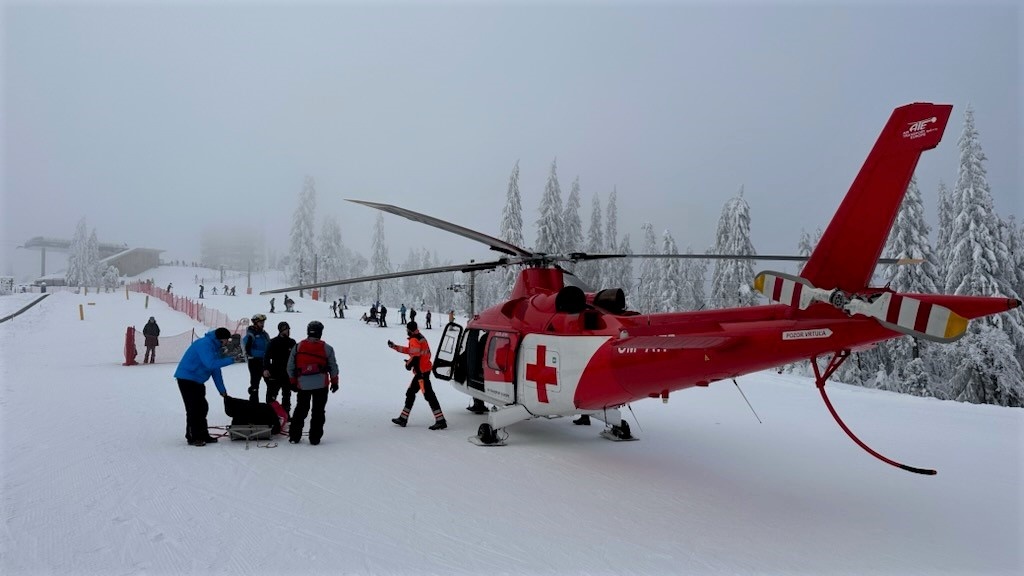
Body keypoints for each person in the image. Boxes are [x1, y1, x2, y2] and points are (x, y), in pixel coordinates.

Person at [173, 327, 235, 446]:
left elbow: (215, 370)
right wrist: (232, 360)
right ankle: (193, 436)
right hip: (187, 378)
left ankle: (203, 434)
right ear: (221, 339)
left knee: (202, 407)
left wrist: (222, 391)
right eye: (227, 340)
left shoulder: (215, 348)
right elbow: (210, 363)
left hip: (198, 380)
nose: (228, 342)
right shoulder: (204, 344)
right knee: (193, 408)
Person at [287, 321, 340, 445]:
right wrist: (335, 382)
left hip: (302, 384)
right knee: (318, 411)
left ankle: (294, 436)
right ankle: (315, 438)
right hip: (321, 385)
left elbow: (290, 366)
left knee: (301, 409)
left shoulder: (298, 347)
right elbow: (333, 367)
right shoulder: (327, 348)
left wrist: (293, 381)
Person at [388, 321, 446, 430]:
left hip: (421, 373)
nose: (406, 332)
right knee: (411, 393)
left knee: (428, 395)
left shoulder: (414, 339)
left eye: (407, 330)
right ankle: (403, 418)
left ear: (409, 330)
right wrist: (395, 347)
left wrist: (408, 365)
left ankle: (440, 420)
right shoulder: (419, 337)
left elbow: (415, 356)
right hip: (423, 370)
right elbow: (411, 351)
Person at [264, 321, 297, 416]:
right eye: (286, 330)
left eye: (288, 329)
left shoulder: (292, 342)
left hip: (287, 373)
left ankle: (286, 414)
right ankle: (270, 413)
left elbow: (296, 357)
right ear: (281, 330)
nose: (288, 331)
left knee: (286, 395)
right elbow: (266, 356)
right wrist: (266, 369)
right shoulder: (273, 342)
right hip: (275, 372)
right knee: (271, 395)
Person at [242, 314, 271, 402]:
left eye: (263, 322)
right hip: (254, 362)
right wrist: (264, 353)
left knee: (271, 384)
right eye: (260, 322)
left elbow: (269, 346)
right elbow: (248, 351)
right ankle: (254, 407)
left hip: (265, 362)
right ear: (255, 323)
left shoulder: (264, 334)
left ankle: (270, 405)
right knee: (255, 386)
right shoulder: (250, 335)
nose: (262, 324)